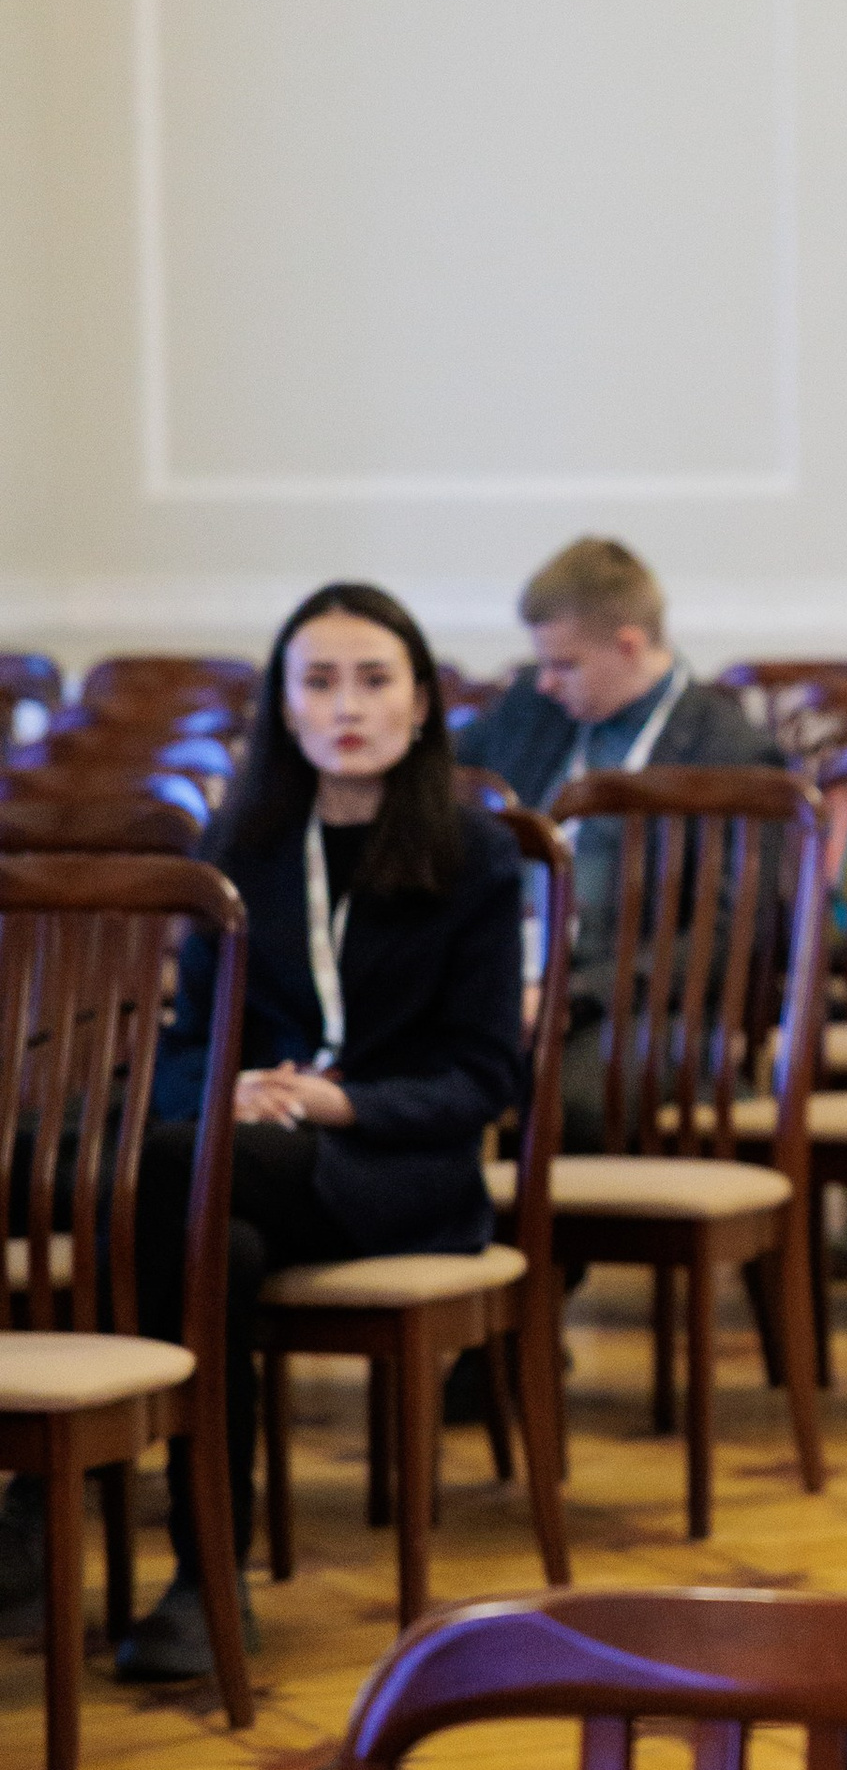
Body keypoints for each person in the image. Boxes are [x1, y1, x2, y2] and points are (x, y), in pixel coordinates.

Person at [103, 586, 524, 1682]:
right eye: (320, 681)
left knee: (159, 1167)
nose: (348, 706)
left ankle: (58, 1497)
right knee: (218, 1246)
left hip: (402, 1174)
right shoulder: (241, 845)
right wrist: (234, 1087)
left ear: (422, 703)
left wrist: (338, 1103)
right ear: (284, 708)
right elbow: (189, 1042)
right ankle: (206, 1575)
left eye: (374, 680)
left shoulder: (473, 857)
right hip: (249, 1172)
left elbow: (485, 1077)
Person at [466, 537, 782, 1150]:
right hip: (510, 980)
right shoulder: (536, 712)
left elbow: (726, 934)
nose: (548, 683)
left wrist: (571, 996)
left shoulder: (728, 751)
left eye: (566, 664)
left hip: (640, 1005)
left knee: (569, 1095)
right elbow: (446, 790)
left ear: (629, 645)